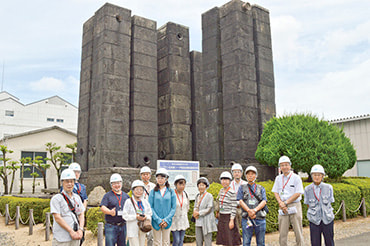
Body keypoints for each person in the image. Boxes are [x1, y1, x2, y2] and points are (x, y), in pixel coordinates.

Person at [272, 156, 304, 246]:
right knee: (282, 232)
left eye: (286, 165)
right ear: (280, 167)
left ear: (290, 165)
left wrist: (285, 203)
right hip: (282, 206)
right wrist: (280, 203)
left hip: (294, 205)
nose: (284, 167)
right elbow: (275, 191)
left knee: (298, 230)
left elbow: (298, 193)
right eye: (282, 165)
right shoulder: (278, 178)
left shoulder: (296, 178)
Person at [50, 169, 85, 246]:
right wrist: (71, 231)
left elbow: (81, 214)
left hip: (76, 237)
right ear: (62, 183)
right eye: (67, 181)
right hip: (62, 238)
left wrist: (80, 229)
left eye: (71, 181)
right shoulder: (56, 199)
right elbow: (57, 218)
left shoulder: (77, 198)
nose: (69, 184)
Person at [304, 164, 335, 246]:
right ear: (311, 176)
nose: (317, 177)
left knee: (329, 242)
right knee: (315, 243)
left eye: (319, 175)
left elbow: (330, 202)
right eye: (314, 175)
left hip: (327, 219)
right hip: (314, 220)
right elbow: (308, 204)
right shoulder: (307, 189)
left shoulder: (329, 187)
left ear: (323, 176)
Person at [237, 166, 267, 246]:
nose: (250, 175)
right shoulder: (242, 187)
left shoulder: (261, 188)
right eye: (248, 174)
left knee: (261, 242)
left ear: (256, 175)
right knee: (246, 242)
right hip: (246, 218)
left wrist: (254, 210)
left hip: (260, 218)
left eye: (252, 174)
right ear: (245, 176)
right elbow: (240, 200)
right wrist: (249, 211)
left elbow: (264, 201)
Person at [148, 168, 176, 246]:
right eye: (158, 178)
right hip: (156, 221)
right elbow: (150, 207)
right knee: (156, 242)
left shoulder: (171, 191)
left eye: (162, 178)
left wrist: (166, 220)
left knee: (166, 242)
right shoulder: (153, 191)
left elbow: (173, 208)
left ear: (166, 179)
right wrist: (158, 220)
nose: (160, 180)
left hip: (167, 222)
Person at [100, 173, 130, 246]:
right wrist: (110, 212)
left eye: (118, 183)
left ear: (121, 183)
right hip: (111, 226)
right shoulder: (107, 195)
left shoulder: (126, 196)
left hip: (123, 225)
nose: (117, 185)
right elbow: (102, 207)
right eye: (114, 183)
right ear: (111, 184)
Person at [122, 180, 153, 246]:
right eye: (137, 189)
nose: (139, 192)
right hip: (132, 229)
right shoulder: (128, 202)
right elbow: (124, 215)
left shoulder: (145, 202)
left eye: (141, 190)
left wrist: (146, 217)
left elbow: (149, 213)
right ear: (133, 190)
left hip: (143, 228)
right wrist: (135, 217)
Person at [215, 171, 241, 246]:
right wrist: (217, 212)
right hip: (222, 217)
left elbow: (234, 207)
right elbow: (219, 203)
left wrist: (232, 220)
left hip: (229, 217)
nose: (224, 182)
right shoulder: (221, 191)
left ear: (229, 181)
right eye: (223, 180)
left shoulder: (232, 192)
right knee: (223, 239)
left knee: (230, 239)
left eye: (226, 180)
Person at [193, 177, 217, 246]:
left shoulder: (209, 196)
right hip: (198, 221)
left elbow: (209, 209)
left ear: (206, 186)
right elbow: (195, 206)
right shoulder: (197, 196)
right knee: (198, 240)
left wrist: (199, 213)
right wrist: (194, 212)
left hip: (207, 221)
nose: (201, 187)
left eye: (203, 185)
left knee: (207, 241)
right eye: (200, 185)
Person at [171, 175, 190, 246]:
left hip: (183, 220)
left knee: (181, 240)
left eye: (183, 184)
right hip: (174, 220)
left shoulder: (186, 194)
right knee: (176, 240)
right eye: (180, 184)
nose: (182, 186)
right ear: (175, 184)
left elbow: (187, 206)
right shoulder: (172, 194)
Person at [140, 166, 156, 246]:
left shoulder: (153, 186)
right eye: (143, 174)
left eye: (147, 174)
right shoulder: (138, 185)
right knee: (141, 234)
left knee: (151, 235)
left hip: (151, 212)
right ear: (140, 175)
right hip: (141, 212)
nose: (145, 176)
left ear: (150, 175)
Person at [230, 163, 247, 228]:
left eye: (238, 172)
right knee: (235, 228)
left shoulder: (245, 184)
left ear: (241, 173)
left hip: (243, 208)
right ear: (232, 173)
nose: (237, 173)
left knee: (245, 227)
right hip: (233, 209)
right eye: (235, 172)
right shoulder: (230, 184)